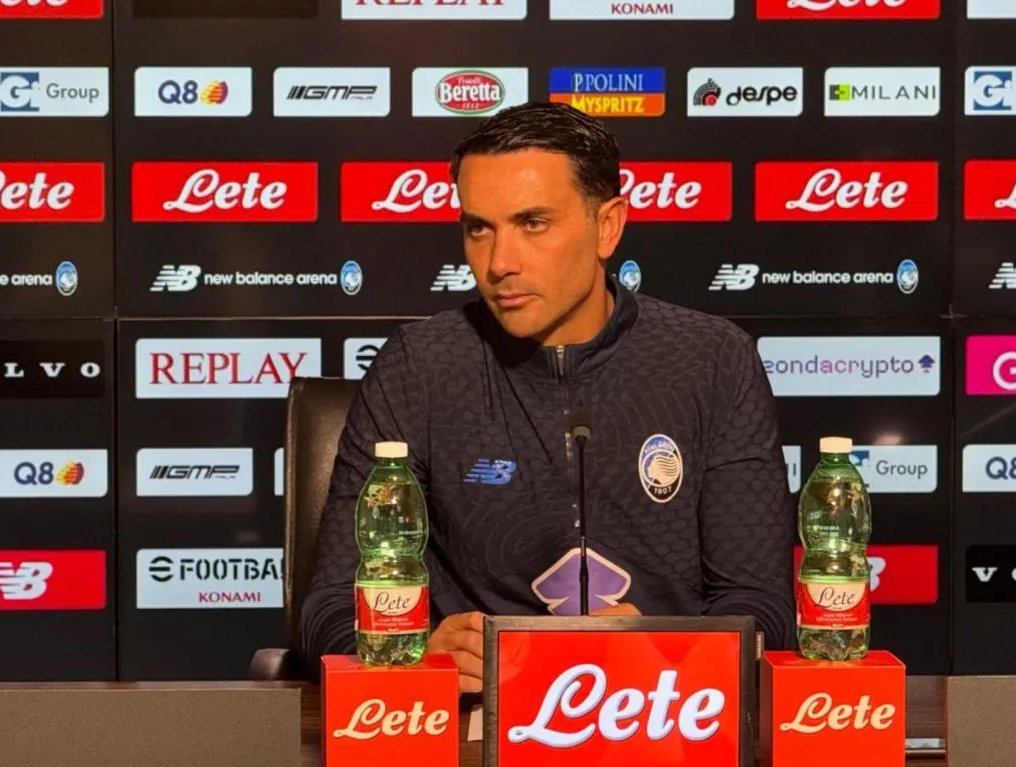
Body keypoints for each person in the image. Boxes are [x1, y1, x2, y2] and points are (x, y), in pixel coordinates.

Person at [300, 100, 795, 691]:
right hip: (475, 723)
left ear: (607, 226)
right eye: (479, 228)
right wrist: (413, 654)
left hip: (665, 711)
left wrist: (671, 649)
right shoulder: (419, 366)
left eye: (533, 223)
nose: (499, 262)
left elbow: (761, 605)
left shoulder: (712, 360)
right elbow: (330, 606)